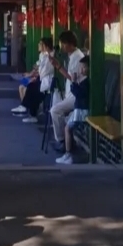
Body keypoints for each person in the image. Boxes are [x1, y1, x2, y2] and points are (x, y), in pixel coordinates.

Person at [49, 29, 87, 157]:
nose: (61, 46)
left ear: (70, 43)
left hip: (76, 95)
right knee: (57, 109)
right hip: (71, 93)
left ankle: (62, 141)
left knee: (55, 110)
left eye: (63, 43)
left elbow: (72, 78)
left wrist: (58, 67)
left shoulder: (77, 57)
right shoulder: (73, 56)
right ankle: (65, 140)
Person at [13, 36, 55, 120]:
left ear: (45, 46)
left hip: (47, 82)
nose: (38, 45)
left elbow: (43, 71)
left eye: (40, 44)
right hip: (42, 79)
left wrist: (35, 75)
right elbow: (38, 68)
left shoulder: (50, 57)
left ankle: (26, 108)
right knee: (30, 86)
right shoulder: (43, 55)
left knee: (31, 87)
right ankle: (28, 111)